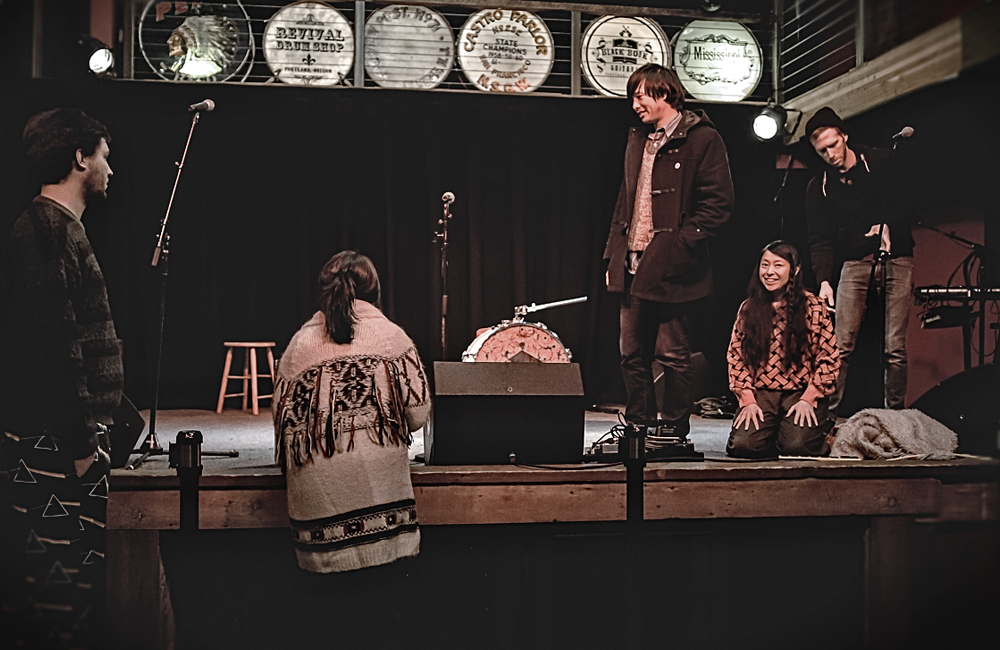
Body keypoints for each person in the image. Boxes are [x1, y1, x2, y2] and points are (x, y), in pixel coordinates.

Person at [0, 109, 123, 649]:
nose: (109, 169)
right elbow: (53, 346)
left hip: (66, 439)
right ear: (79, 157)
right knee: (61, 595)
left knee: (74, 588)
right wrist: (79, 443)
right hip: (54, 445)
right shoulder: (46, 231)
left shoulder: (59, 227)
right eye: (103, 155)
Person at [273, 250, 430, 573]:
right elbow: (418, 415)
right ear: (374, 293)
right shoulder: (393, 339)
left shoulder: (296, 347)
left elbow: (281, 426)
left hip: (317, 535)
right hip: (384, 529)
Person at [603, 63, 735, 434]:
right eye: (633, 97)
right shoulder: (638, 140)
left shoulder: (702, 138)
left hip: (673, 265)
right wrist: (613, 253)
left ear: (663, 92)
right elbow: (623, 202)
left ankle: (674, 428)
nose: (635, 104)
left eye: (640, 95)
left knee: (672, 354)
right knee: (631, 353)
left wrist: (680, 244)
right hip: (631, 264)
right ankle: (640, 426)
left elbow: (719, 204)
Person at [805, 106, 914, 415]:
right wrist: (825, 280)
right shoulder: (819, 187)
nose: (829, 154)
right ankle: (827, 418)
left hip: (897, 257)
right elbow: (819, 239)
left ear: (845, 136)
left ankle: (896, 417)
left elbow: (909, 202)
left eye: (833, 144)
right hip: (854, 261)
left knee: (894, 347)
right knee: (841, 345)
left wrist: (889, 224)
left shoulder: (880, 161)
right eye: (822, 150)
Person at [726, 241, 840, 458]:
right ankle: (772, 432)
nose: (769, 272)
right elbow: (735, 356)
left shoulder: (814, 306)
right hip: (762, 393)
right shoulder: (749, 308)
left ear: (794, 270)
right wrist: (747, 399)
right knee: (743, 446)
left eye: (778, 265)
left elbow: (830, 357)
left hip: (801, 392)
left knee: (796, 448)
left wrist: (810, 397)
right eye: (765, 265)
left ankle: (821, 434)